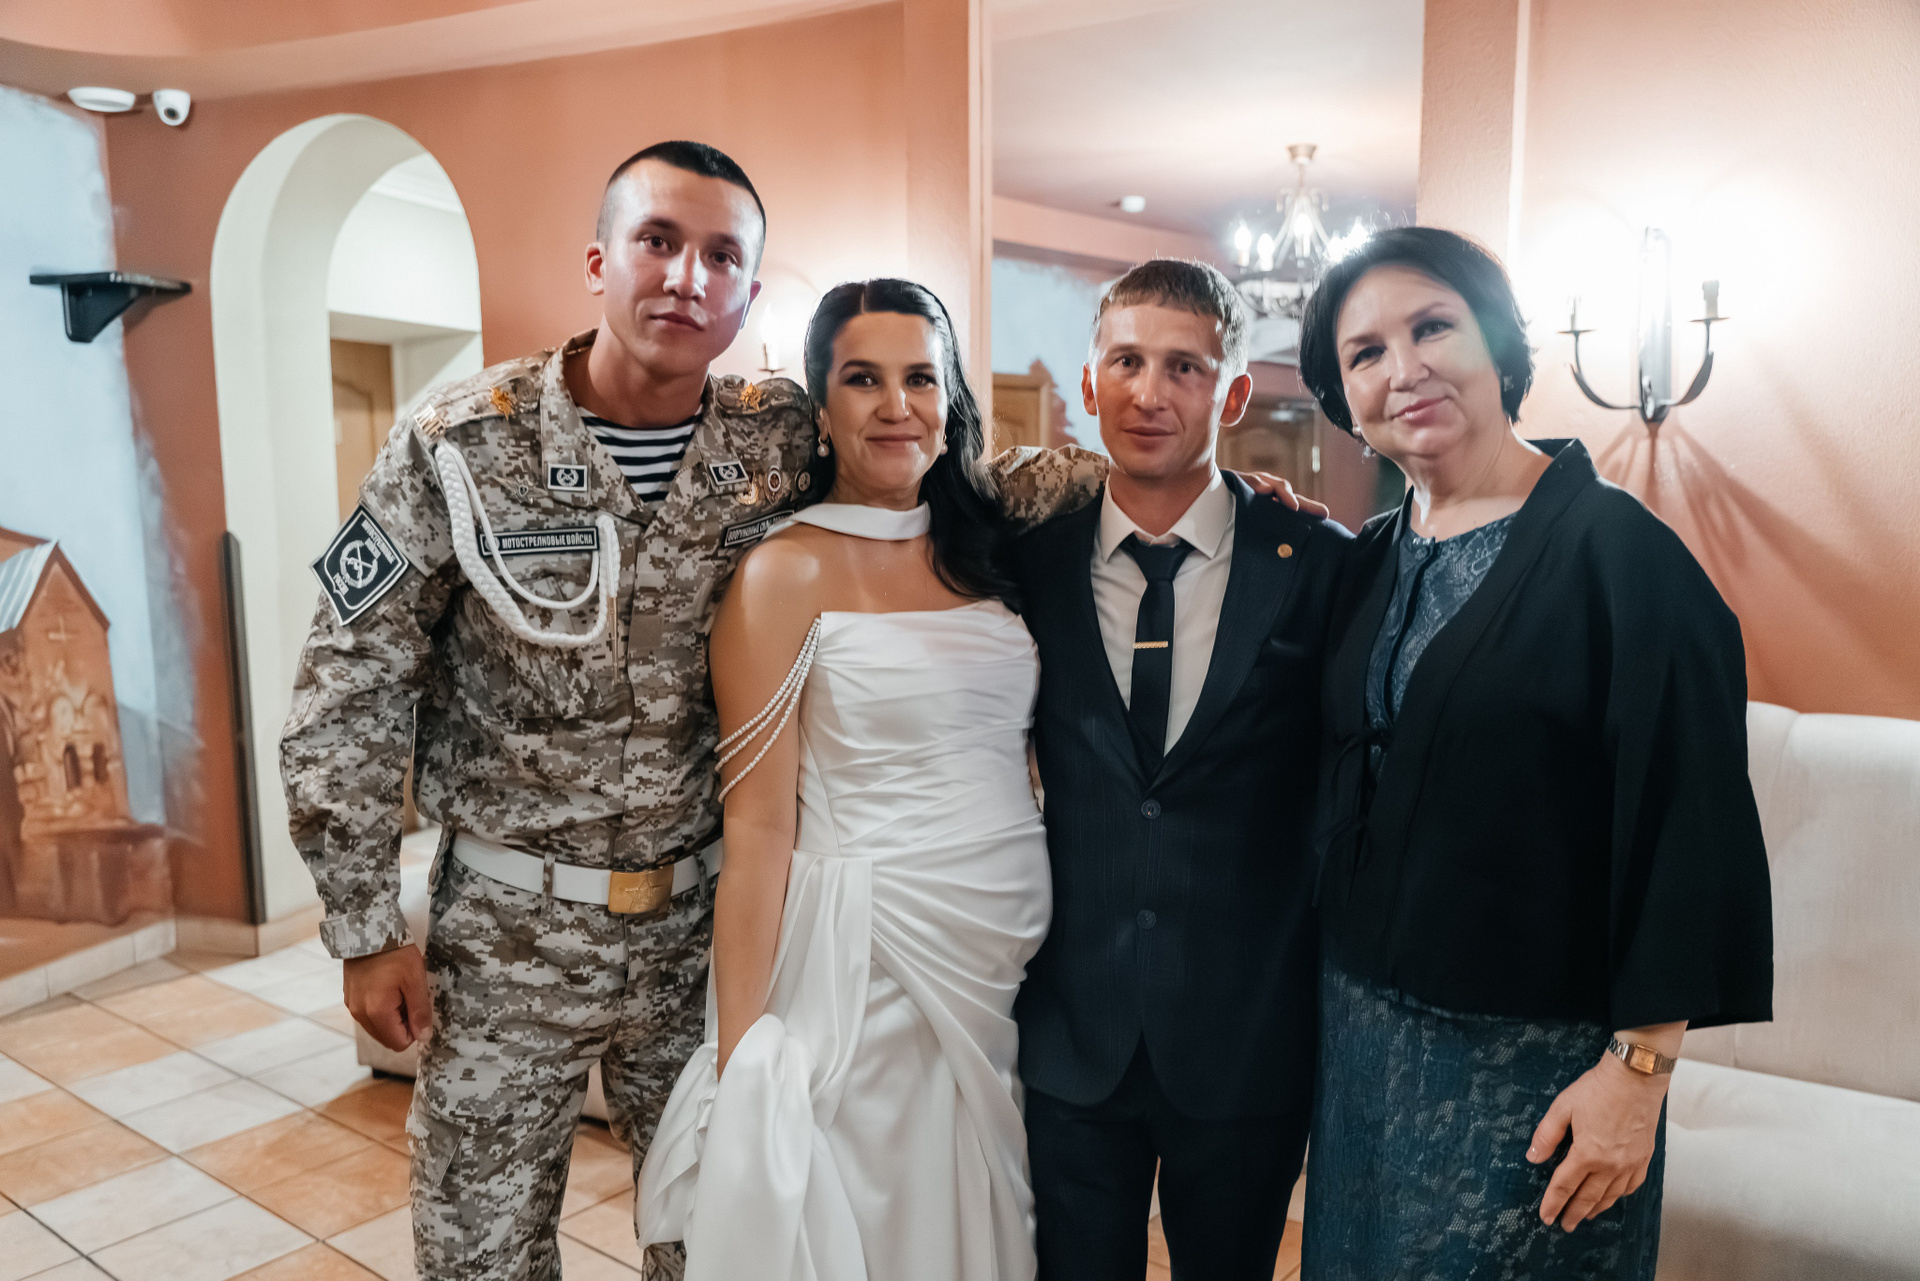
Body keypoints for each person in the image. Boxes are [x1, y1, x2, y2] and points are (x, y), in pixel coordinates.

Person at [280, 143, 1101, 1280]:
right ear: (598, 261)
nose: (686, 277)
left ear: (750, 294)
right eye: (658, 242)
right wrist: (365, 925)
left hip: (697, 929)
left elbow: (950, 468)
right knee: (479, 1255)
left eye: (721, 256)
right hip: (510, 939)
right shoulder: (459, 445)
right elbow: (349, 678)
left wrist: (1185, 484)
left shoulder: (773, 435)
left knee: (718, 1241)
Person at [1294, 226, 1774, 1279]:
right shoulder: (1368, 560)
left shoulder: (1623, 557)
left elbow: (1687, 827)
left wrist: (1639, 1075)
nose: (1404, 368)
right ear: (1343, 395)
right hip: (1362, 1042)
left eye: (1433, 327)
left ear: (1499, 342)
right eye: (1366, 352)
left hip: (1530, 1065)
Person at [635, 278, 1067, 1281]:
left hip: (1006, 960)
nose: (896, 405)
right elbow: (757, 832)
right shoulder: (782, 573)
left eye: (921, 378)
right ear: (821, 409)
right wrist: (741, 1063)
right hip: (867, 962)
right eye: (863, 380)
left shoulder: (995, 556)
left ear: (951, 400)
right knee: (880, 1218)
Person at [1005, 259, 1351, 1281]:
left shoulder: (1319, 563)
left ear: (1232, 394)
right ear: (1089, 381)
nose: (1149, 392)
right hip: (1072, 1031)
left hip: (1246, 1036)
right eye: (1126, 362)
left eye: (1184, 367)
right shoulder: (1025, 564)